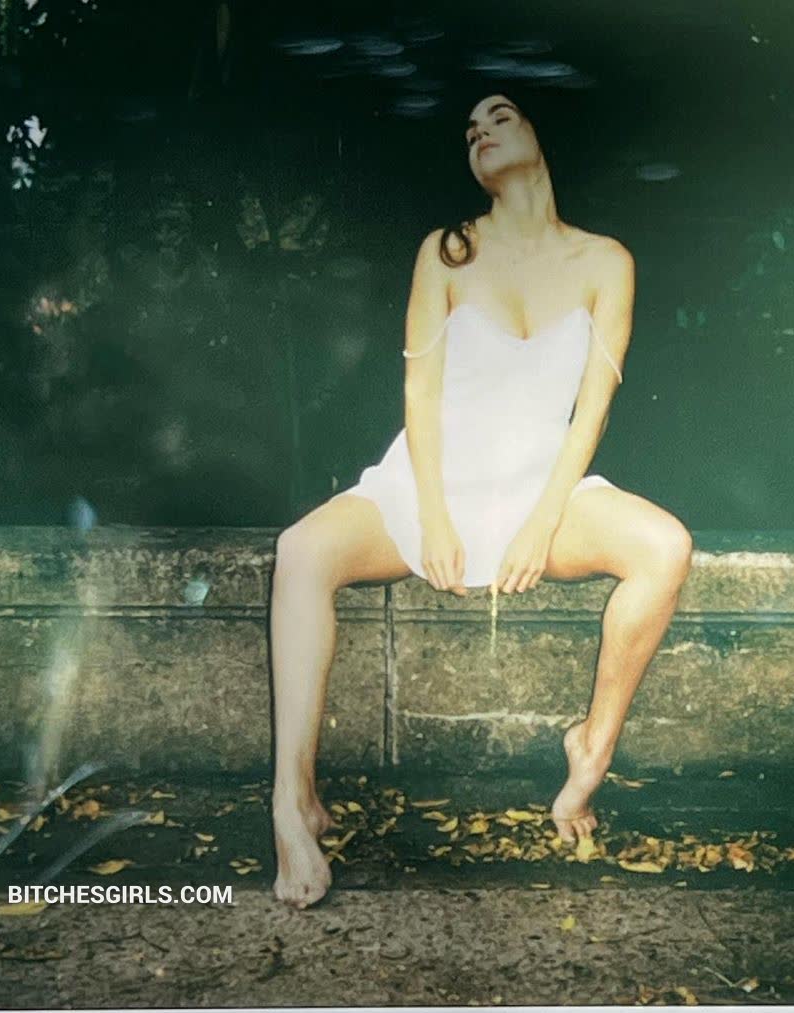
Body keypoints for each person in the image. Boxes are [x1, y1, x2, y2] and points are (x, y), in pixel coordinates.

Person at [270, 92, 693, 908]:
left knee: (664, 546)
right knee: (301, 551)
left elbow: (591, 413)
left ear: (538, 133)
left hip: (542, 490)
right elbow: (420, 393)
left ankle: (591, 750)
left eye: (498, 118)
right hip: (431, 483)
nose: (480, 134)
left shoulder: (607, 261)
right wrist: (432, 516)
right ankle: (293, 802)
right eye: (469, 131)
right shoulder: (447, 252)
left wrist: (542, 522)